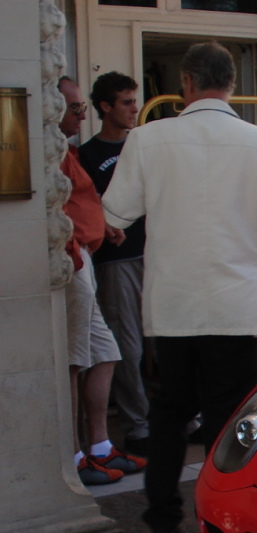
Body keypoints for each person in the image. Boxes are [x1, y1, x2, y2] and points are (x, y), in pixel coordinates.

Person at [102, 41, 257, 533]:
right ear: (231, 84)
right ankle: (221, 528)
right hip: (237, 304)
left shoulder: (147, 139)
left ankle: (163, 519)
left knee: (169, 414)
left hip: (173, 305)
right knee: (227, 421)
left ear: (186, 84)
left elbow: (113, 217)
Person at [57, 76, 144, 487]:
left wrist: (101, 227)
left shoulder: (65, 151)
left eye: (80, 108)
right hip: (73, 263)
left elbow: (80, 203)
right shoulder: (61, 153)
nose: (81, 115)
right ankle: (74, 455)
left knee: (104, 353)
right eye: (74, 109)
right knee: (75, 360)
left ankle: (99, 446)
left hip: (86, 258)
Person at [79, 71, 149, 456]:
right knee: (127, 345)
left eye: (134, 101)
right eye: (125, 102)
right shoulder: (87, 155)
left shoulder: (144, 145)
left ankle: (183, 417)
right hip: (116, 259)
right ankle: (137, 425)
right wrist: (103, 226)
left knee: (166, 337)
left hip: (155, 253)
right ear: (105, 107)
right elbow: (83, 207)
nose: (133, 109)